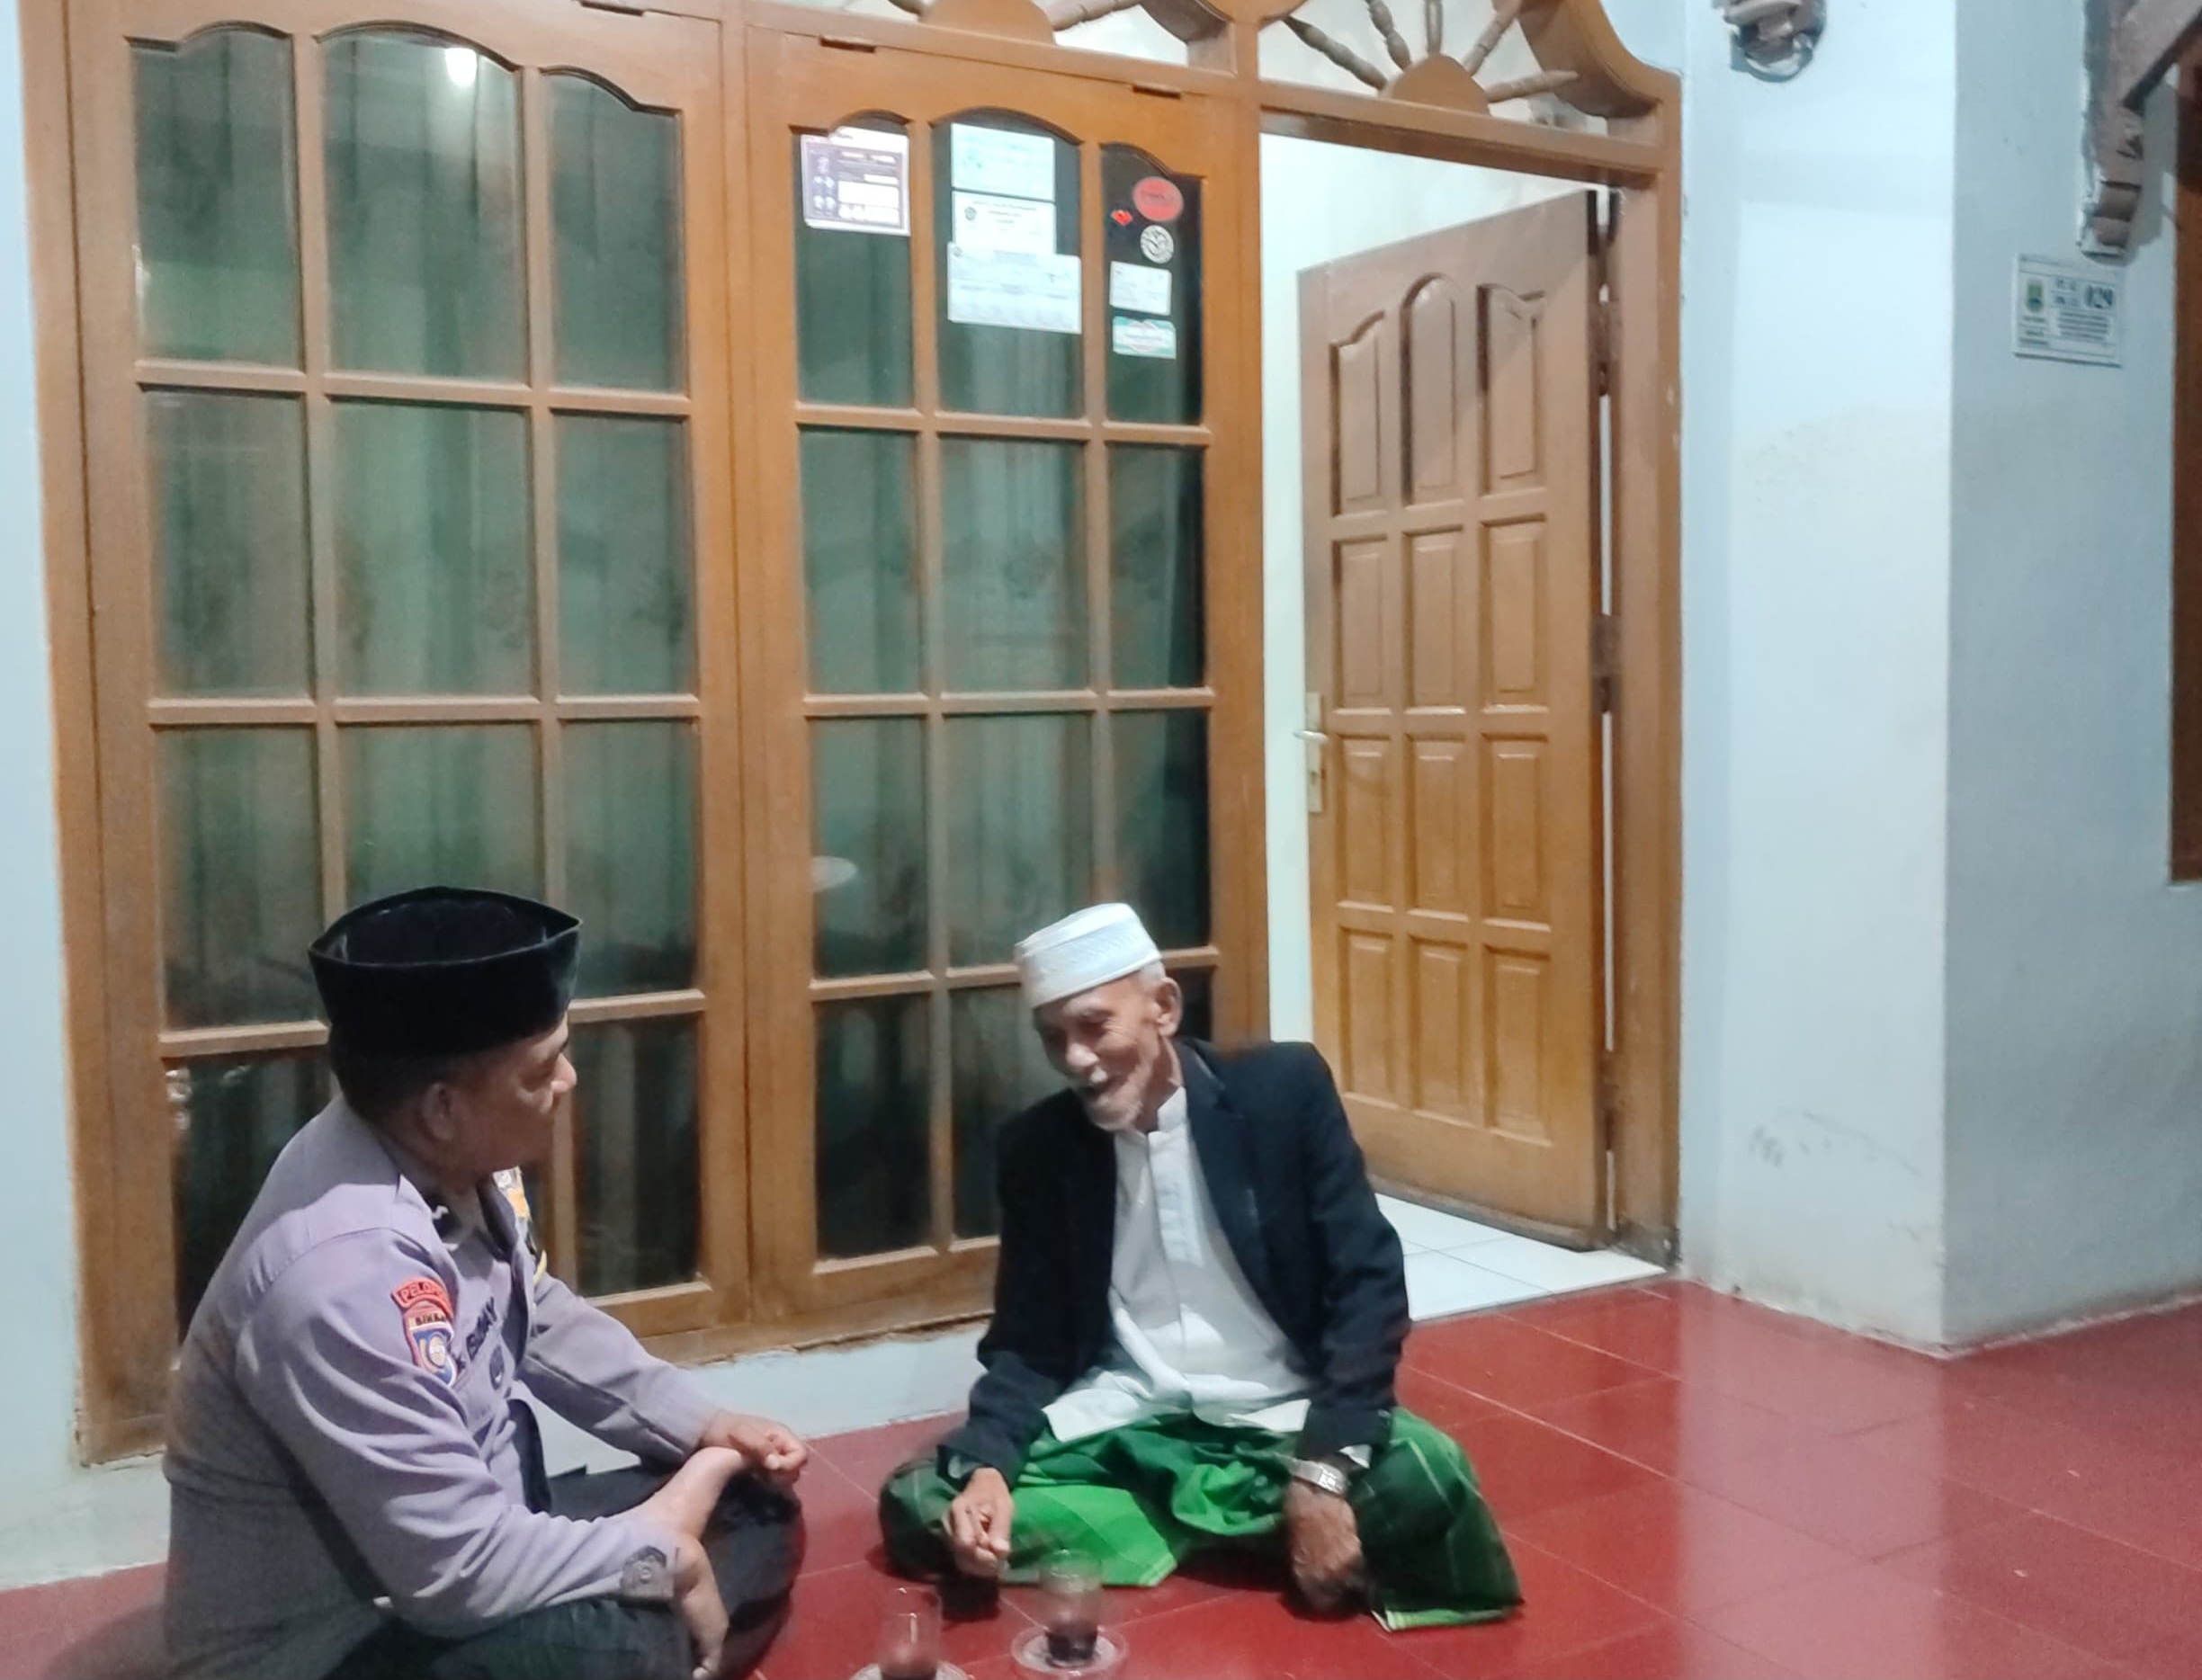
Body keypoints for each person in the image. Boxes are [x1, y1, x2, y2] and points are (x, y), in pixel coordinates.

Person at [165, 887, 807, 1680]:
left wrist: (706, 1429)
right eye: (542, 1069)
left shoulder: (447, 1153)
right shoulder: (341, 1277)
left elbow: (536, 1315)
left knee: (756, 1503)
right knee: (616, 1647)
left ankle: (676, 1620)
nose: (569, 1080)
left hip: (475, 1531)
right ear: (443, 1108)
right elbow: (456, 1575)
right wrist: (660, 1554)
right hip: (336, 1642)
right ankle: (672, 1626)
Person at [879, 904, 1521, 1631]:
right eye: (1054, 1039)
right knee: (925, 1501)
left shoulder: (1282, 1093)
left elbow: (1366, 1284)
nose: (1077, 1060)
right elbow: (1030, 1342)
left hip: (1278, 1416)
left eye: (1094, 1027)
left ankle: (1177, 1528)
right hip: (1128, 1423)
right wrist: (990, 1467)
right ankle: (1265, 1534)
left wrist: (1321, 1473)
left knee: (1431, 1477)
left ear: (1164, 1007)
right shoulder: (1040, 1149)